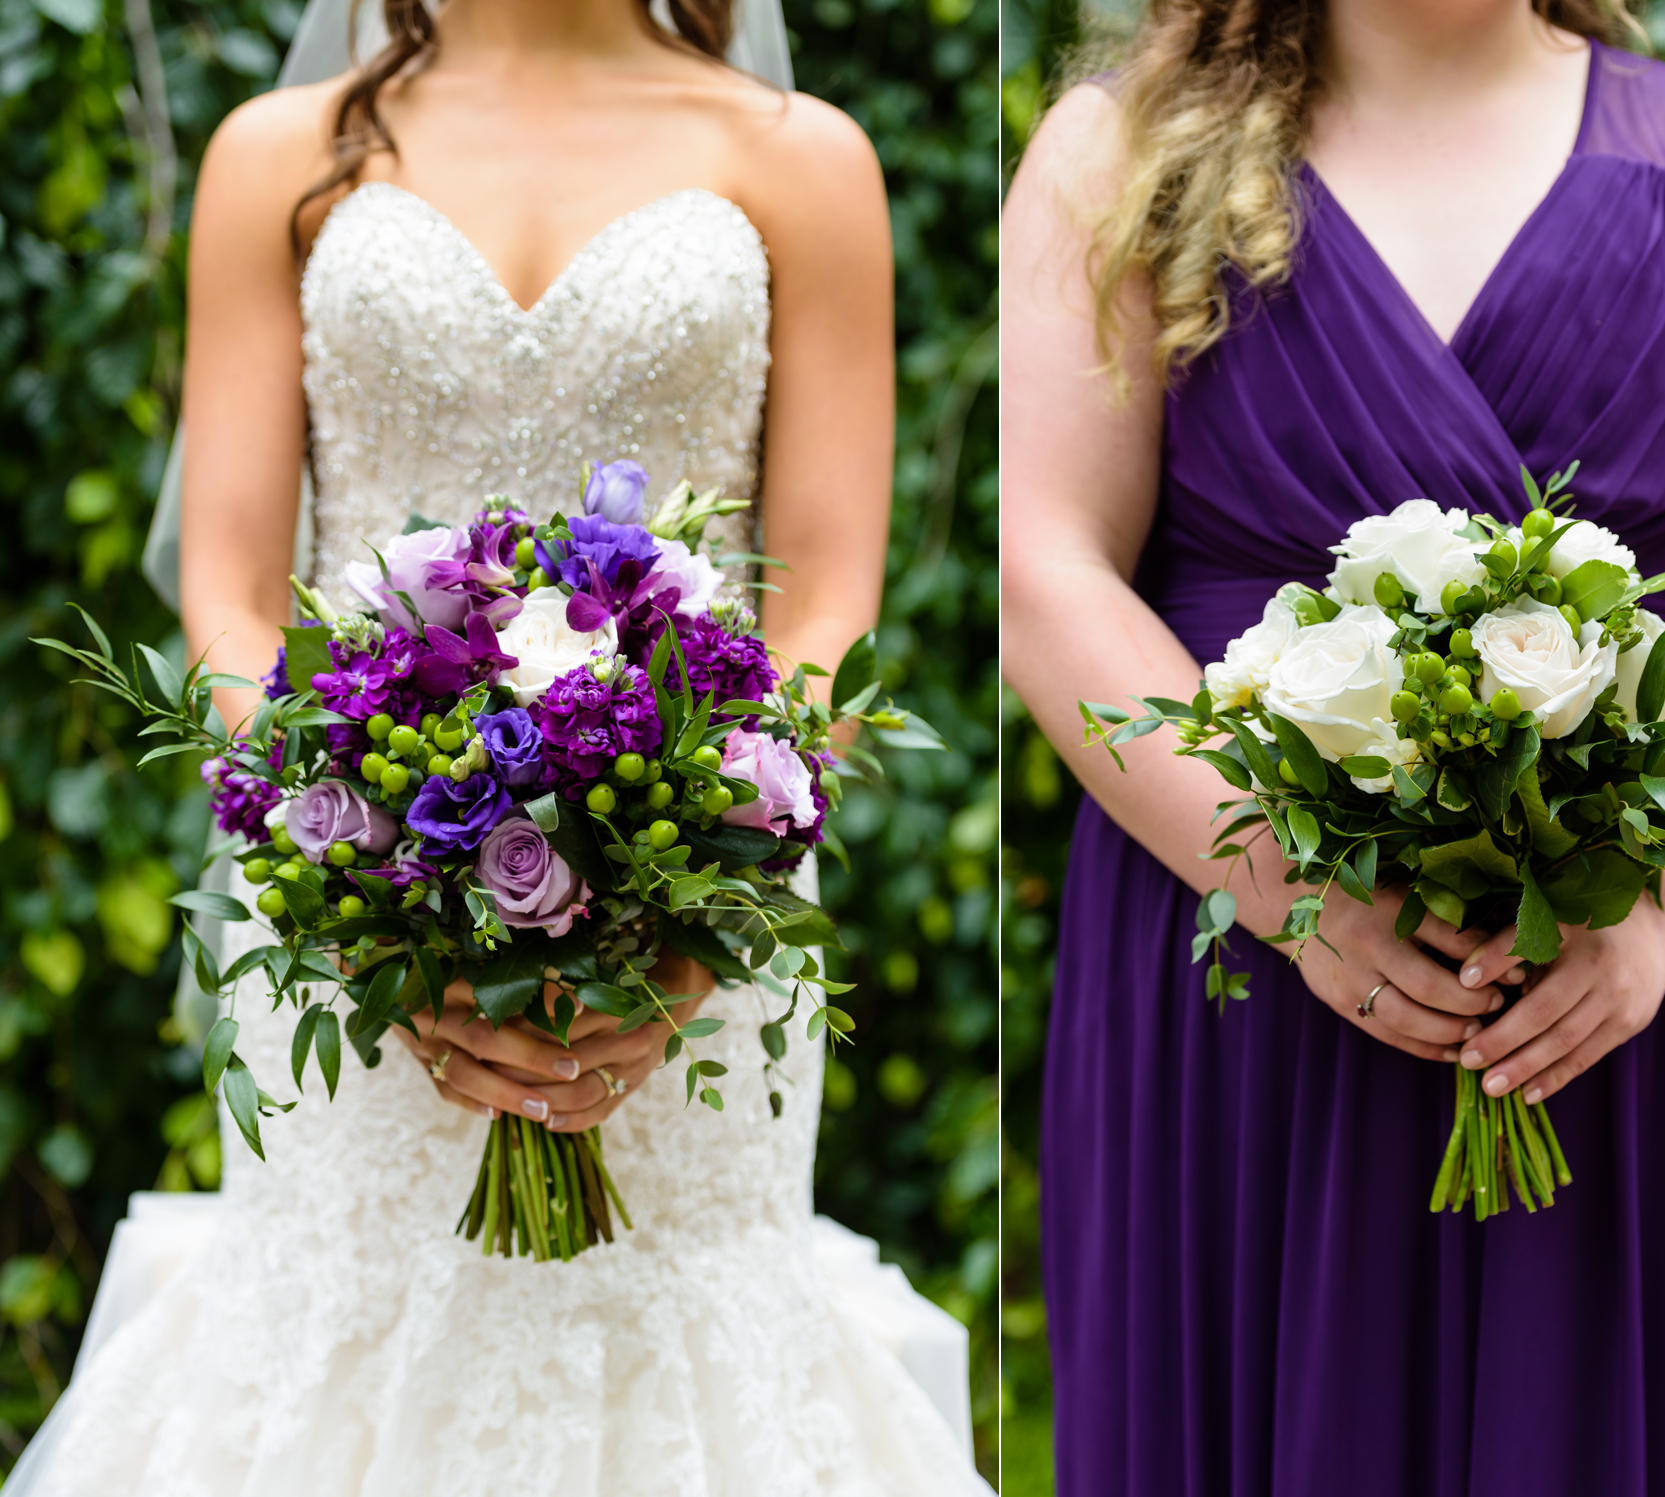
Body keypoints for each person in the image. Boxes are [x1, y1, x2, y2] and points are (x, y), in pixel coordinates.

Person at [11, 1, 990, 1491]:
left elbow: (830, 593)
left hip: (702, 907)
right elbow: (224, 587)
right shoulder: (280, 156)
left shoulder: (805, 165)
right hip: (349, 904)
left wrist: (703, 892)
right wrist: (354, 854)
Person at [1002, 0, 1665, 1491]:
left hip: (1629, 997)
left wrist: (1663, 910)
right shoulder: (1123, 155)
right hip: (1248, 988)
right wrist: (1298, 891)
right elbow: (1051, 576)